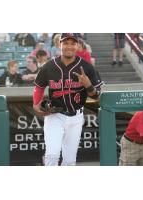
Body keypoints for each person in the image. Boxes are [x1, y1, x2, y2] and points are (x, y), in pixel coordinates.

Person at [33, 33, 103, 166]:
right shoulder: (49, 66)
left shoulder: (87, 67)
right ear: (60, 44)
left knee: (70, 160)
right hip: (55, 115)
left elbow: (97, 96)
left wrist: (88, 85)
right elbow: (39, 86)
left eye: (72, 43)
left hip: (76, 117)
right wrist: (36, 103)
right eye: (66, 43)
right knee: (52, 154)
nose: (69, 46)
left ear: (77, 45)